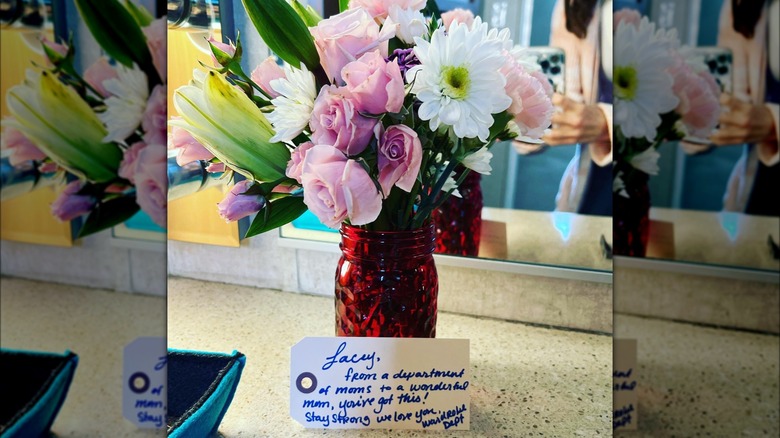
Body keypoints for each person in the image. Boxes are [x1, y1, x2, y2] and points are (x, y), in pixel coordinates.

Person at [514, 0, 613, 216]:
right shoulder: (573, 7)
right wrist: (525, 120)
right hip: (591, 186)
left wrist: (608, 123)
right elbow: (566, 105)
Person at [685, 0, 779, 215]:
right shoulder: (741, 7)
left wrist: (774, 122)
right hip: (760, 189)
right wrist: (692, 119)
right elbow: (733, 104)